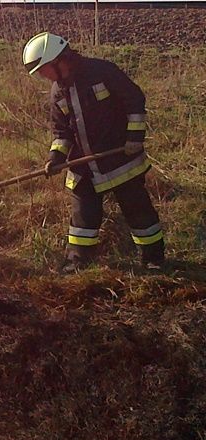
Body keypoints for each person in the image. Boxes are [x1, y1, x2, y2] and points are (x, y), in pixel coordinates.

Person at [22, 32, 164, 272]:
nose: (44, 77)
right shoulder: (57, 92)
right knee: (82, 217)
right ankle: (77, 261)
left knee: (138, 211)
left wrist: (134, 138)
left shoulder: (102, 72)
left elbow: (135, 101)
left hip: (121, 159)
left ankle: (153, 259)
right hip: (84, 165)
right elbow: (61, 132)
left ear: (59, 60)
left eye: (44, 70)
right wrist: (55, 157)